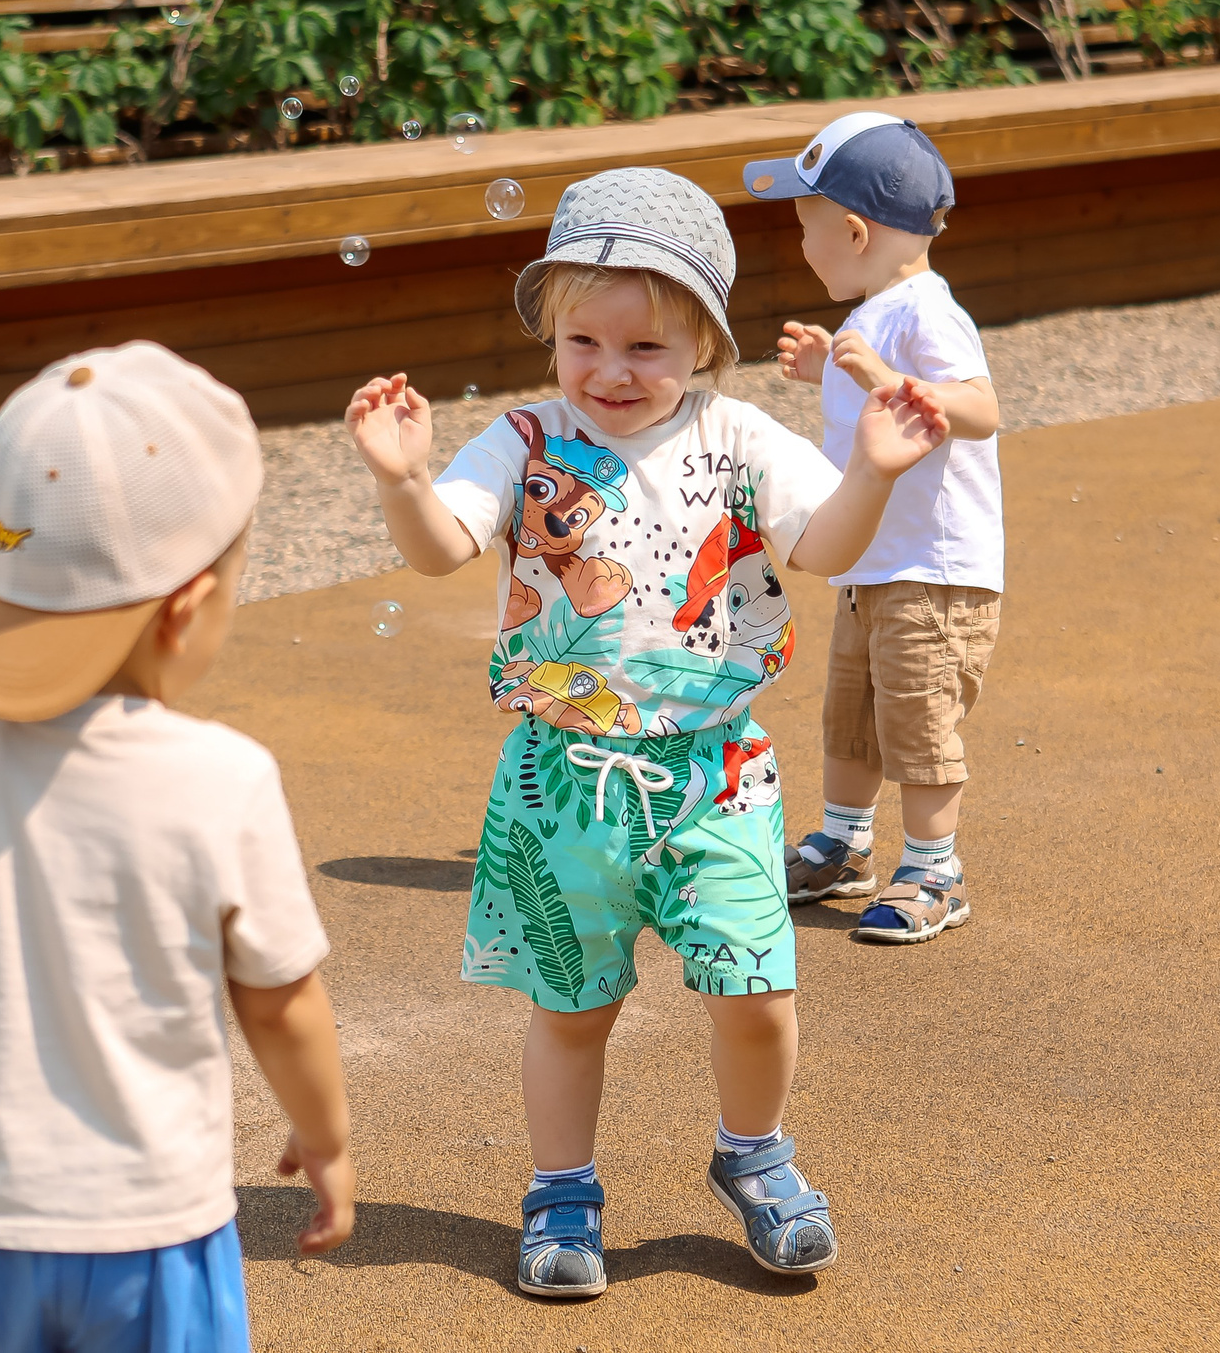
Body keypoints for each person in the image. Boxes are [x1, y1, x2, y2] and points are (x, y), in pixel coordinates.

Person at [345, 168, 948, 1297]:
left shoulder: (742, 437)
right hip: (557, 781)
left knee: (758, 991)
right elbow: (440, 548)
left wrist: (872, 469)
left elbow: (821, 549)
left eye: (646, 350)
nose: (610, 373)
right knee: (574, 1008)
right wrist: (403, 479)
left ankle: (753, 1156)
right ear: (550, 335)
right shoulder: (523, 439)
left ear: (706, 346)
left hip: (715, 770)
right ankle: (561, 1190)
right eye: (583, 341)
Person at [0, 342, 353, 1353]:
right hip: (145, 1232)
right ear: (191, 604)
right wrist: (323, 1141)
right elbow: (281, 1001)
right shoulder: (220, 776)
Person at [754, 115, 1005, 946]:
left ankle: (935, 867)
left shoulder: (927, 311)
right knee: (851, 716)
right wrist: (832, 365)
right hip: (873, 566)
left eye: (805, 228)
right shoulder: (879, 310)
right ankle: (844, 843)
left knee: (917, 720)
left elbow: (980, 406)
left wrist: (894, 377)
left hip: (933, 573)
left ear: (855, 230)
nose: (801, 246)